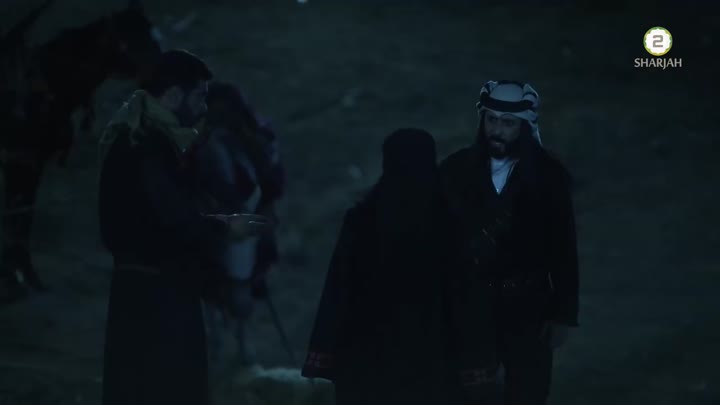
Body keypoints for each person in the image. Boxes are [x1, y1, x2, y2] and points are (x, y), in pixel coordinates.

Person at [97, 49, 269, 405]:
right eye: (198, 97)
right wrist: (226, 230)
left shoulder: (151, 141)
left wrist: (221, 223)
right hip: (155, 295)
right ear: (174, 95)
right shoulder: (146, 146)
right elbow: (173, 219)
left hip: (155, 289)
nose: (203, 107)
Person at [301, 128, 497, 405]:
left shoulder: (362, 221)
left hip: (367, 364)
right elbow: (465, 299)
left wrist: (324, 355)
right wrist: (477, 368)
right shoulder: (449, 223)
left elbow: (338, 292)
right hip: (434, 363)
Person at [439, 80, 580, 404]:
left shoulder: (547, 176)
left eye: (507, 123)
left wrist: (563, 314)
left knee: (527, 393)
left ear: (523, 126)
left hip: (528, 307)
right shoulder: (455, 170)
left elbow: (563, 246)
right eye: (491, 120)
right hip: (469, 307)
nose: (497, 130)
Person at [186, 81, 285, 372]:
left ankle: (237, 347)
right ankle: (218, 346)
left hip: (242, 219)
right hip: (217, 220)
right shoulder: (204, 142)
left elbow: (269, 181)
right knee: (214, 280)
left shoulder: (253, 138)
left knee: (238, 285)